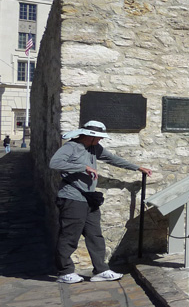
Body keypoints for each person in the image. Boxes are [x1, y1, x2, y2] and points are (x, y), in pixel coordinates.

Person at [49, 120, 152, 284]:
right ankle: (64, 271)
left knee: (95, 234)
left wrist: (137, 168)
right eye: (98, 137)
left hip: (89, 199)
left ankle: (101, 270)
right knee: (70, 235)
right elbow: (54, 163)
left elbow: (112, 159)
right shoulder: (71, 147)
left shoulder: (94, 147)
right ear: (89, 136)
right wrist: (83, 167)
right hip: (72, 198)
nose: (101, 141)